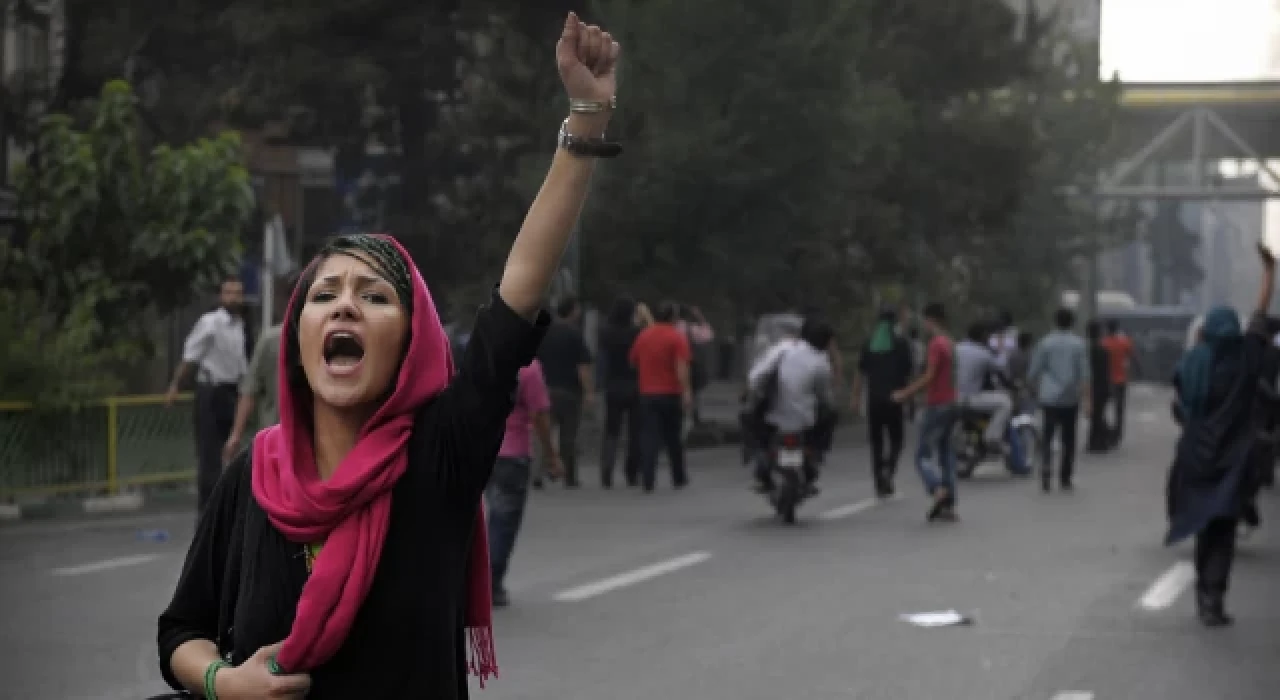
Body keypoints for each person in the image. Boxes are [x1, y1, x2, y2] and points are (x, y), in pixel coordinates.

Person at [156, 15, 619, 698]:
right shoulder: (255, 472)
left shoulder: (439, 455)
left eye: (374, 297)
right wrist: (226, 683)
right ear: (296, 333)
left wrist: (585, 118)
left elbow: (518, 291)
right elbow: (180, 634)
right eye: (325, 295)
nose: (345, 306)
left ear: (411, 341)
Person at [1168, 243, 1276, 627]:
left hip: (1196, 455)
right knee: (1224, 529)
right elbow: (1261, 316)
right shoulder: (1248, 358)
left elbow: (1181, 401)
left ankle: (1202, 593)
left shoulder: (1194, 361)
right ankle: (1214, 596)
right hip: (1233, 460)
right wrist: (1269, 273)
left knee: (1203, 525)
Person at [166, 275, 252, 516]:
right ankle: (207, 514)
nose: (234, 297)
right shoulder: (210, 323)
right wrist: (175, 386)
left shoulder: (240, 326)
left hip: (231, 393)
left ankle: (227, 512)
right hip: (210, 392)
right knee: (209, 455)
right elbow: (190, 356)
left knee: (232, 452)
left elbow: (242, 366)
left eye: (238, 292)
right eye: (229, 292)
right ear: (220, 296)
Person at [487, 359, 561, 607]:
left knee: (482, 519)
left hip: (478, 450)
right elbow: (539, 414)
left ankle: (474, 580)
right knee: (504, 520)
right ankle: (491, 582)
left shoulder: (482, 357)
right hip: (512, 453)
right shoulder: (528, 367)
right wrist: (551, 454)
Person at [746, 317, 836, 493]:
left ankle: (760, 464)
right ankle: (816, 454)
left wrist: (753, 393)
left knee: (751, 426)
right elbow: (824, 396)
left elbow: (757, 376)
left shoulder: (783, 349)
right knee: (829, 416)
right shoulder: (822, 362)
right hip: (804, 421)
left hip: (772, 415)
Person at [892, 302, 958, 522]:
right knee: (946, 453)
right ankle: (949, 504)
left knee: (922, 455)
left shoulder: (936, 344)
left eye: (925, 321)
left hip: (937, 403)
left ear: (932, 320)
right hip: (951, 402)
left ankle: (937, 489)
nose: (924, 325)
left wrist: (905, 393)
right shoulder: (950, 343)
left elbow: (929, 377)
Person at [630, 300, 694, 491]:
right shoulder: (677, 337)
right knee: (673, 437)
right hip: (670, 393)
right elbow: (681, 367)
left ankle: (648, 479)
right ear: (673, 317)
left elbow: (633, 361)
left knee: (649, 436)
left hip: (647, 393)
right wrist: (687, 392)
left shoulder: (643, 336)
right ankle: (678, 476)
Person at [851, 307, 913, 497]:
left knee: (876, 441)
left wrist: (855, 397)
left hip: (874, 400)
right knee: (897, 439)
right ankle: (888, 469)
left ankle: (879, 481)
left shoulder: (868, 343)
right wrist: (910, 399)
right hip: (895, 398)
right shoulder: (901, 343)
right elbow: (908, 373)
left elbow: (860, 373)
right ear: (894, 323)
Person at [536, 296, 595, 488]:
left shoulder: (543, 332)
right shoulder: (575, 334)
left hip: (544, 390)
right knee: (568, 435)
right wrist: (588, 392)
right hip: (569, 391)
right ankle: (570, 476)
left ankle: (538, 473)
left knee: (543, 432)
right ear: (572, 311)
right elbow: (583, 367)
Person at [1028, 309, 1089, 492]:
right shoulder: (1079, 344)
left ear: (1055, 321)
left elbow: (1034, 371)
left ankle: (1046, 470)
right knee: (1068, 439)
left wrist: (1033, 390)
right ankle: (1065, 476)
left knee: (1047, 436)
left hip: (1049, 398)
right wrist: (1087, 400)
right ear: (1071, 323)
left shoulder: (1045, 343)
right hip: (1070, 398)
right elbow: (1085, 374)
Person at [596, 298, 645, 487]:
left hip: (613, 385)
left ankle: (607, 470)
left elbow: (602, 360)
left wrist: (600, 383)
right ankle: (632, 471)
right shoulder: (636, 333)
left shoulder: (606, 333)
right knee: (635, 431)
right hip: (635, 384)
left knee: (611, 430)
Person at [224, 324, 283, 465]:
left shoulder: (270, 339)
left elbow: (250, 391)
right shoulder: (271, 341)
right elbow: (249, 391)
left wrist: (236, 435)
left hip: (275, 437)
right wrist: (236, 435)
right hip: (278, 437)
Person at [955, 321, 1014, 452]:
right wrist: (1012, 386)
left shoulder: (956, 348)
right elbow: (1000, 372)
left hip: (951, 397)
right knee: (1005, 403)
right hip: (970, 399)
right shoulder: (984, 354)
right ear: (983, 336)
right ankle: (992, 437)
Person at [1100, 320, 1138, 446]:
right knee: (1119, 409)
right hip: (1121, 380)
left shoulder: (1103, 343)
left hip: (1105, 381)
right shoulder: (1125, 342)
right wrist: (1135, 371)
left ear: (1107, 329)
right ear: (1117, 329)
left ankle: (1106, 430)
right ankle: (1117, 435)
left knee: (1102, 408)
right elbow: (1133, 358)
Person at [1085, 321, 1112, 453]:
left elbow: (1088, 373)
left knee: (1096, 416)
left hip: (1095, 387)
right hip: (1104, 386)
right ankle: (1098, 441)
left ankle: (1099, 442)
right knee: (1098, 415)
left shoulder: (1090, 351)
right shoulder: (1103, 350)